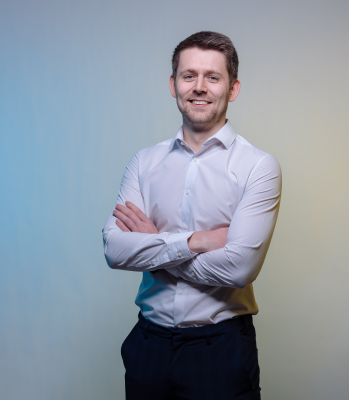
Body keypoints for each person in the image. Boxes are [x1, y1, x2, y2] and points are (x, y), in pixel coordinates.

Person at [102, 31, 281, 400]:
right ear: (173, 84)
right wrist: (194, 242)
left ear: (232, 89)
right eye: (189, 76)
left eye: (212, 77)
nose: (199, 87)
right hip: (147, 345)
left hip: (221, 349)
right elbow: (115, 251)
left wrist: (155, 247)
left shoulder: (258, 167)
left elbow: (238, 269)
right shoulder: (144, 163)